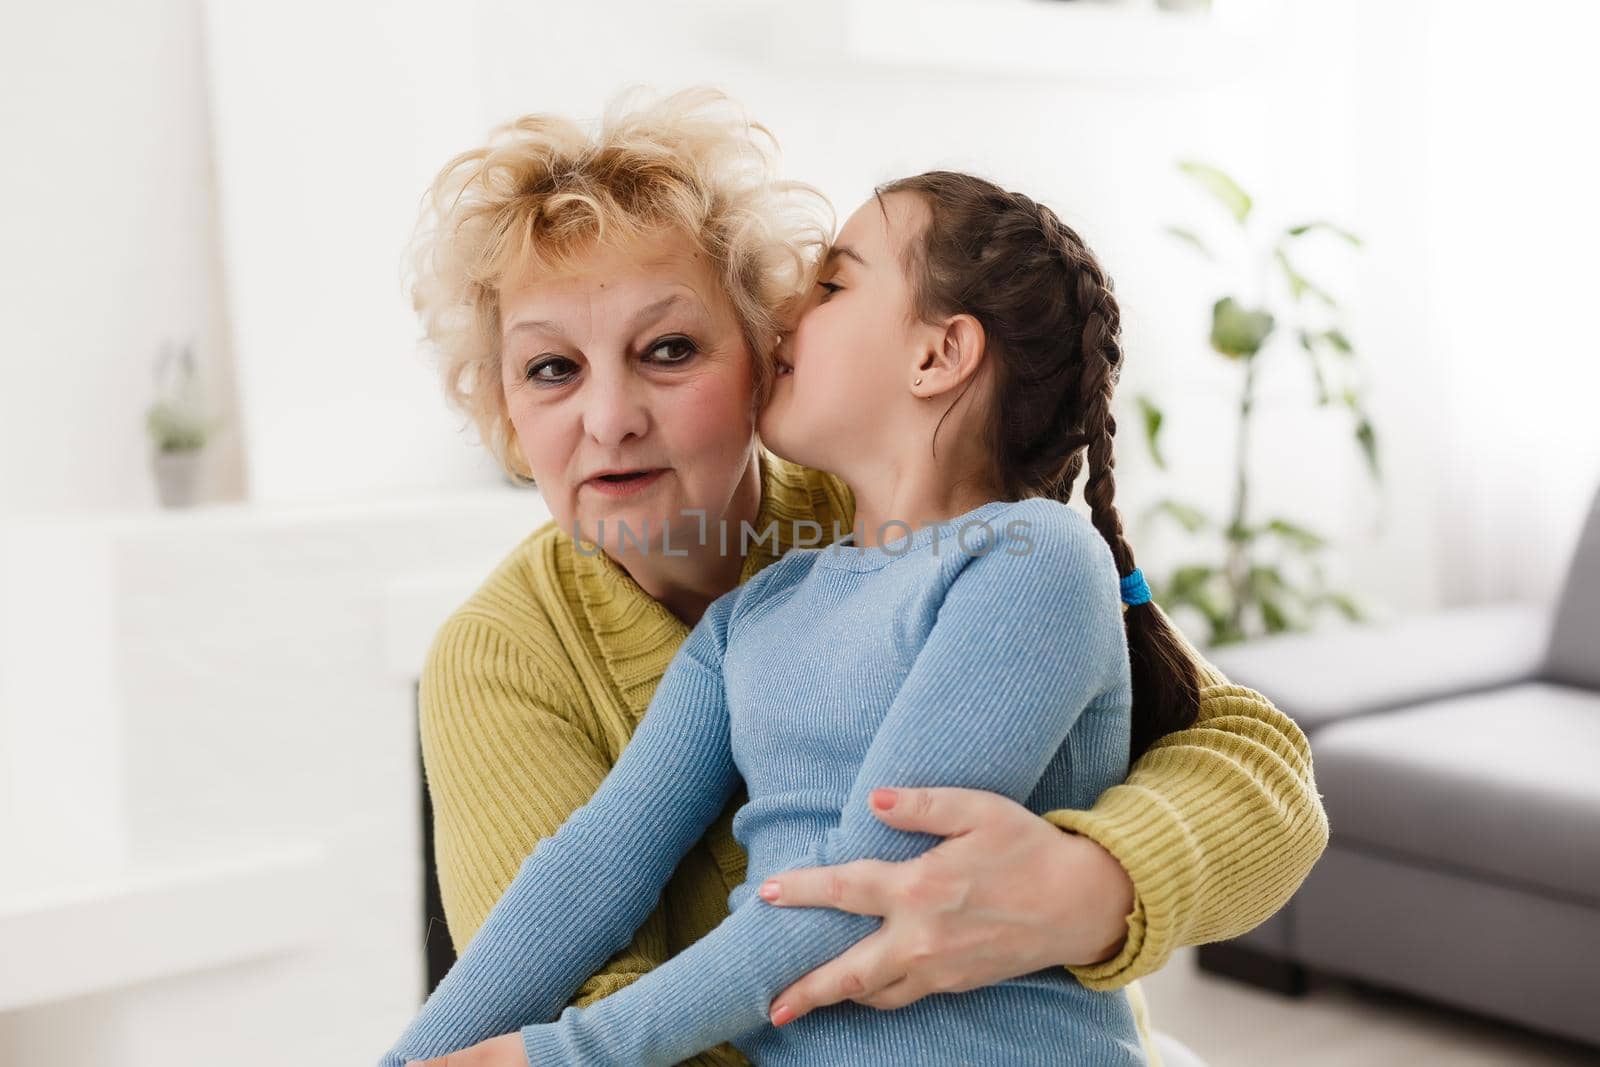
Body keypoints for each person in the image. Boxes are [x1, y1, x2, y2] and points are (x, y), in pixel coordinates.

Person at [390, 88, 1327, 1066]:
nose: (610, 416)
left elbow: (1247, 766)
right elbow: (584, 901)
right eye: (550, 370)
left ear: (765, 351)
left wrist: (1091, 884)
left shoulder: (948, 532)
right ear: (501, 404)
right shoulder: (549, 648)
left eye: (668, 349)